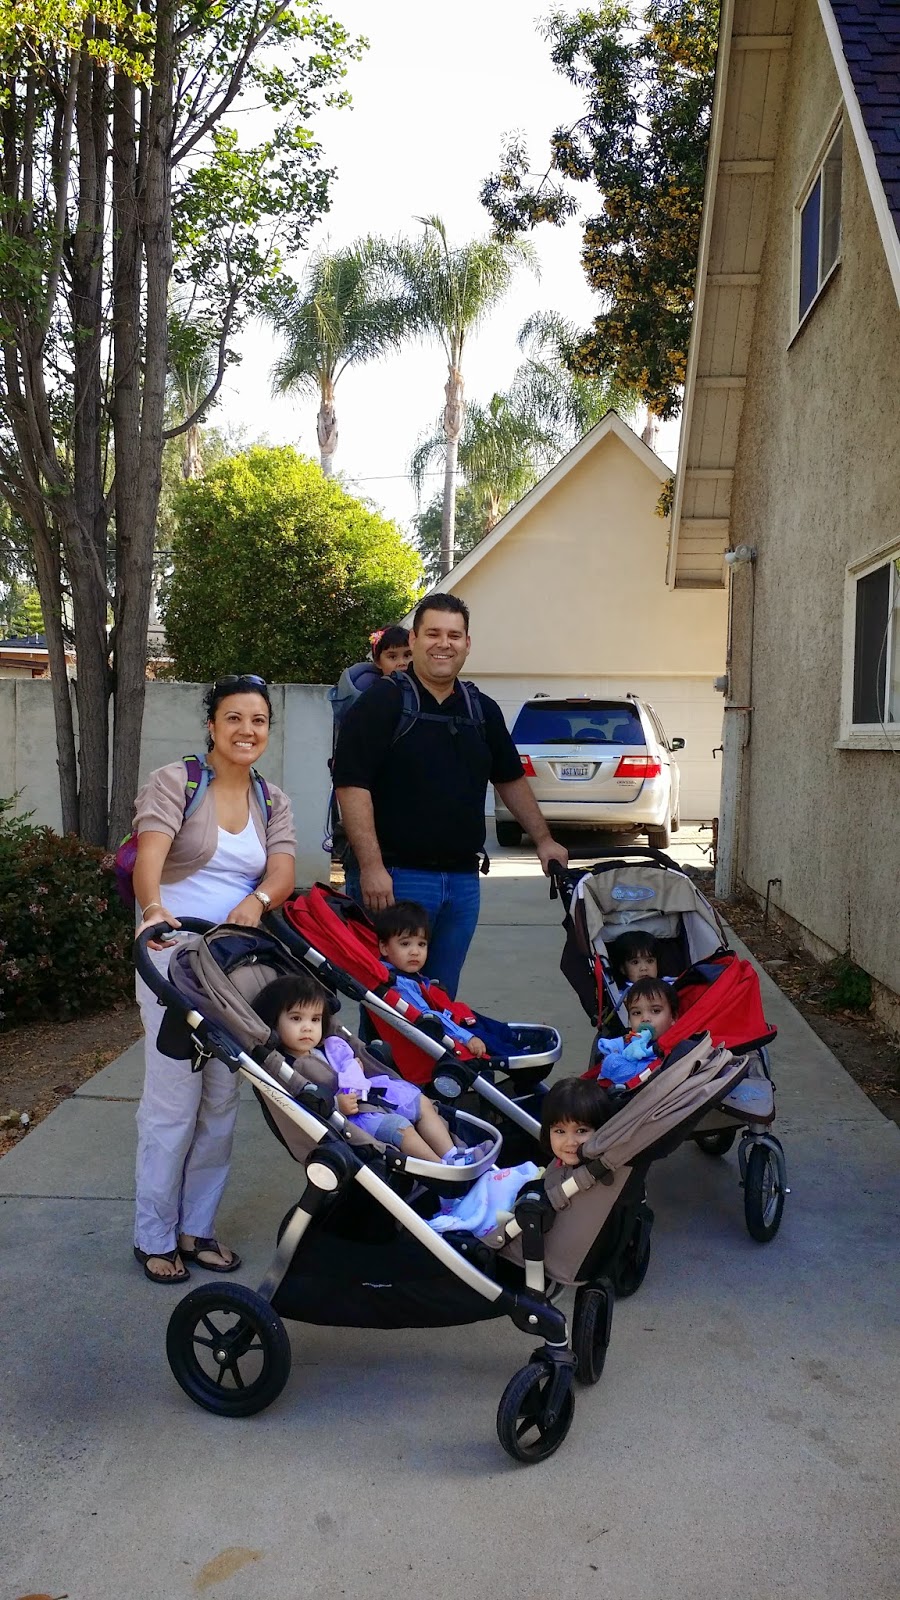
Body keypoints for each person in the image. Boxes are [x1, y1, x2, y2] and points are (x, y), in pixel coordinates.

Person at [131, 675, 297, 1285]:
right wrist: (155, 911)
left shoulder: (272, 799)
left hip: (232, 967)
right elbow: (149, 860)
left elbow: (282, 870)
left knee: (222, 1101)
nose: (246, 730)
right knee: (173, 1101)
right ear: (212, 724)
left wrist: (258, 900)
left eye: (258, 720)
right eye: (234, 718)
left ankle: (196, 1228)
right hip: (173, 958)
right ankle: (154, 1234)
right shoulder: (175, 782)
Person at [333, 593, 568, 996]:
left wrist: (544, 840)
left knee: (442, 1001)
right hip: (397, 879)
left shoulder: (481, 709)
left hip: (462, 882)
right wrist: (371, 866)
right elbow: (352, 785)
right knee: (391, 1005)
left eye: (454, 635)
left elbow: (510, 778)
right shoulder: (383, 702)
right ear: (414, 640)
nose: (444, 644)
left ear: (467, 644)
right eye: (433, 634)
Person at [252, 971, 456, 1162]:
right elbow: (303, 1106)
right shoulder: (287, 1068)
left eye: (315, 1019)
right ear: (274, 1023)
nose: (307, 1027)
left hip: (373, 1097)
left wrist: (355, 1066)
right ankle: (440, 1168)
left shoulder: (330, 1046)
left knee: (421, 1102)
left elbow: (349, 1064)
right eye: (296, 1019)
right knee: (400, 1127)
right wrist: (336, 1104)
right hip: (354, 1121)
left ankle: (452, 1155)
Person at [372, 900, 489, 1057]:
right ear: (384, 947)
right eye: (405, 944)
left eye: (421, 944)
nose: (415, 952)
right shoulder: (398, 985)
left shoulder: (408, 976)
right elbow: (426, 1016)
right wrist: (466, 1037)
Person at [540, 1076, 614, 1168]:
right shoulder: (557, 1164)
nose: (570, 1142)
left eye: (581, 1131)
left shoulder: (602, 1170)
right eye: (560, 1131)